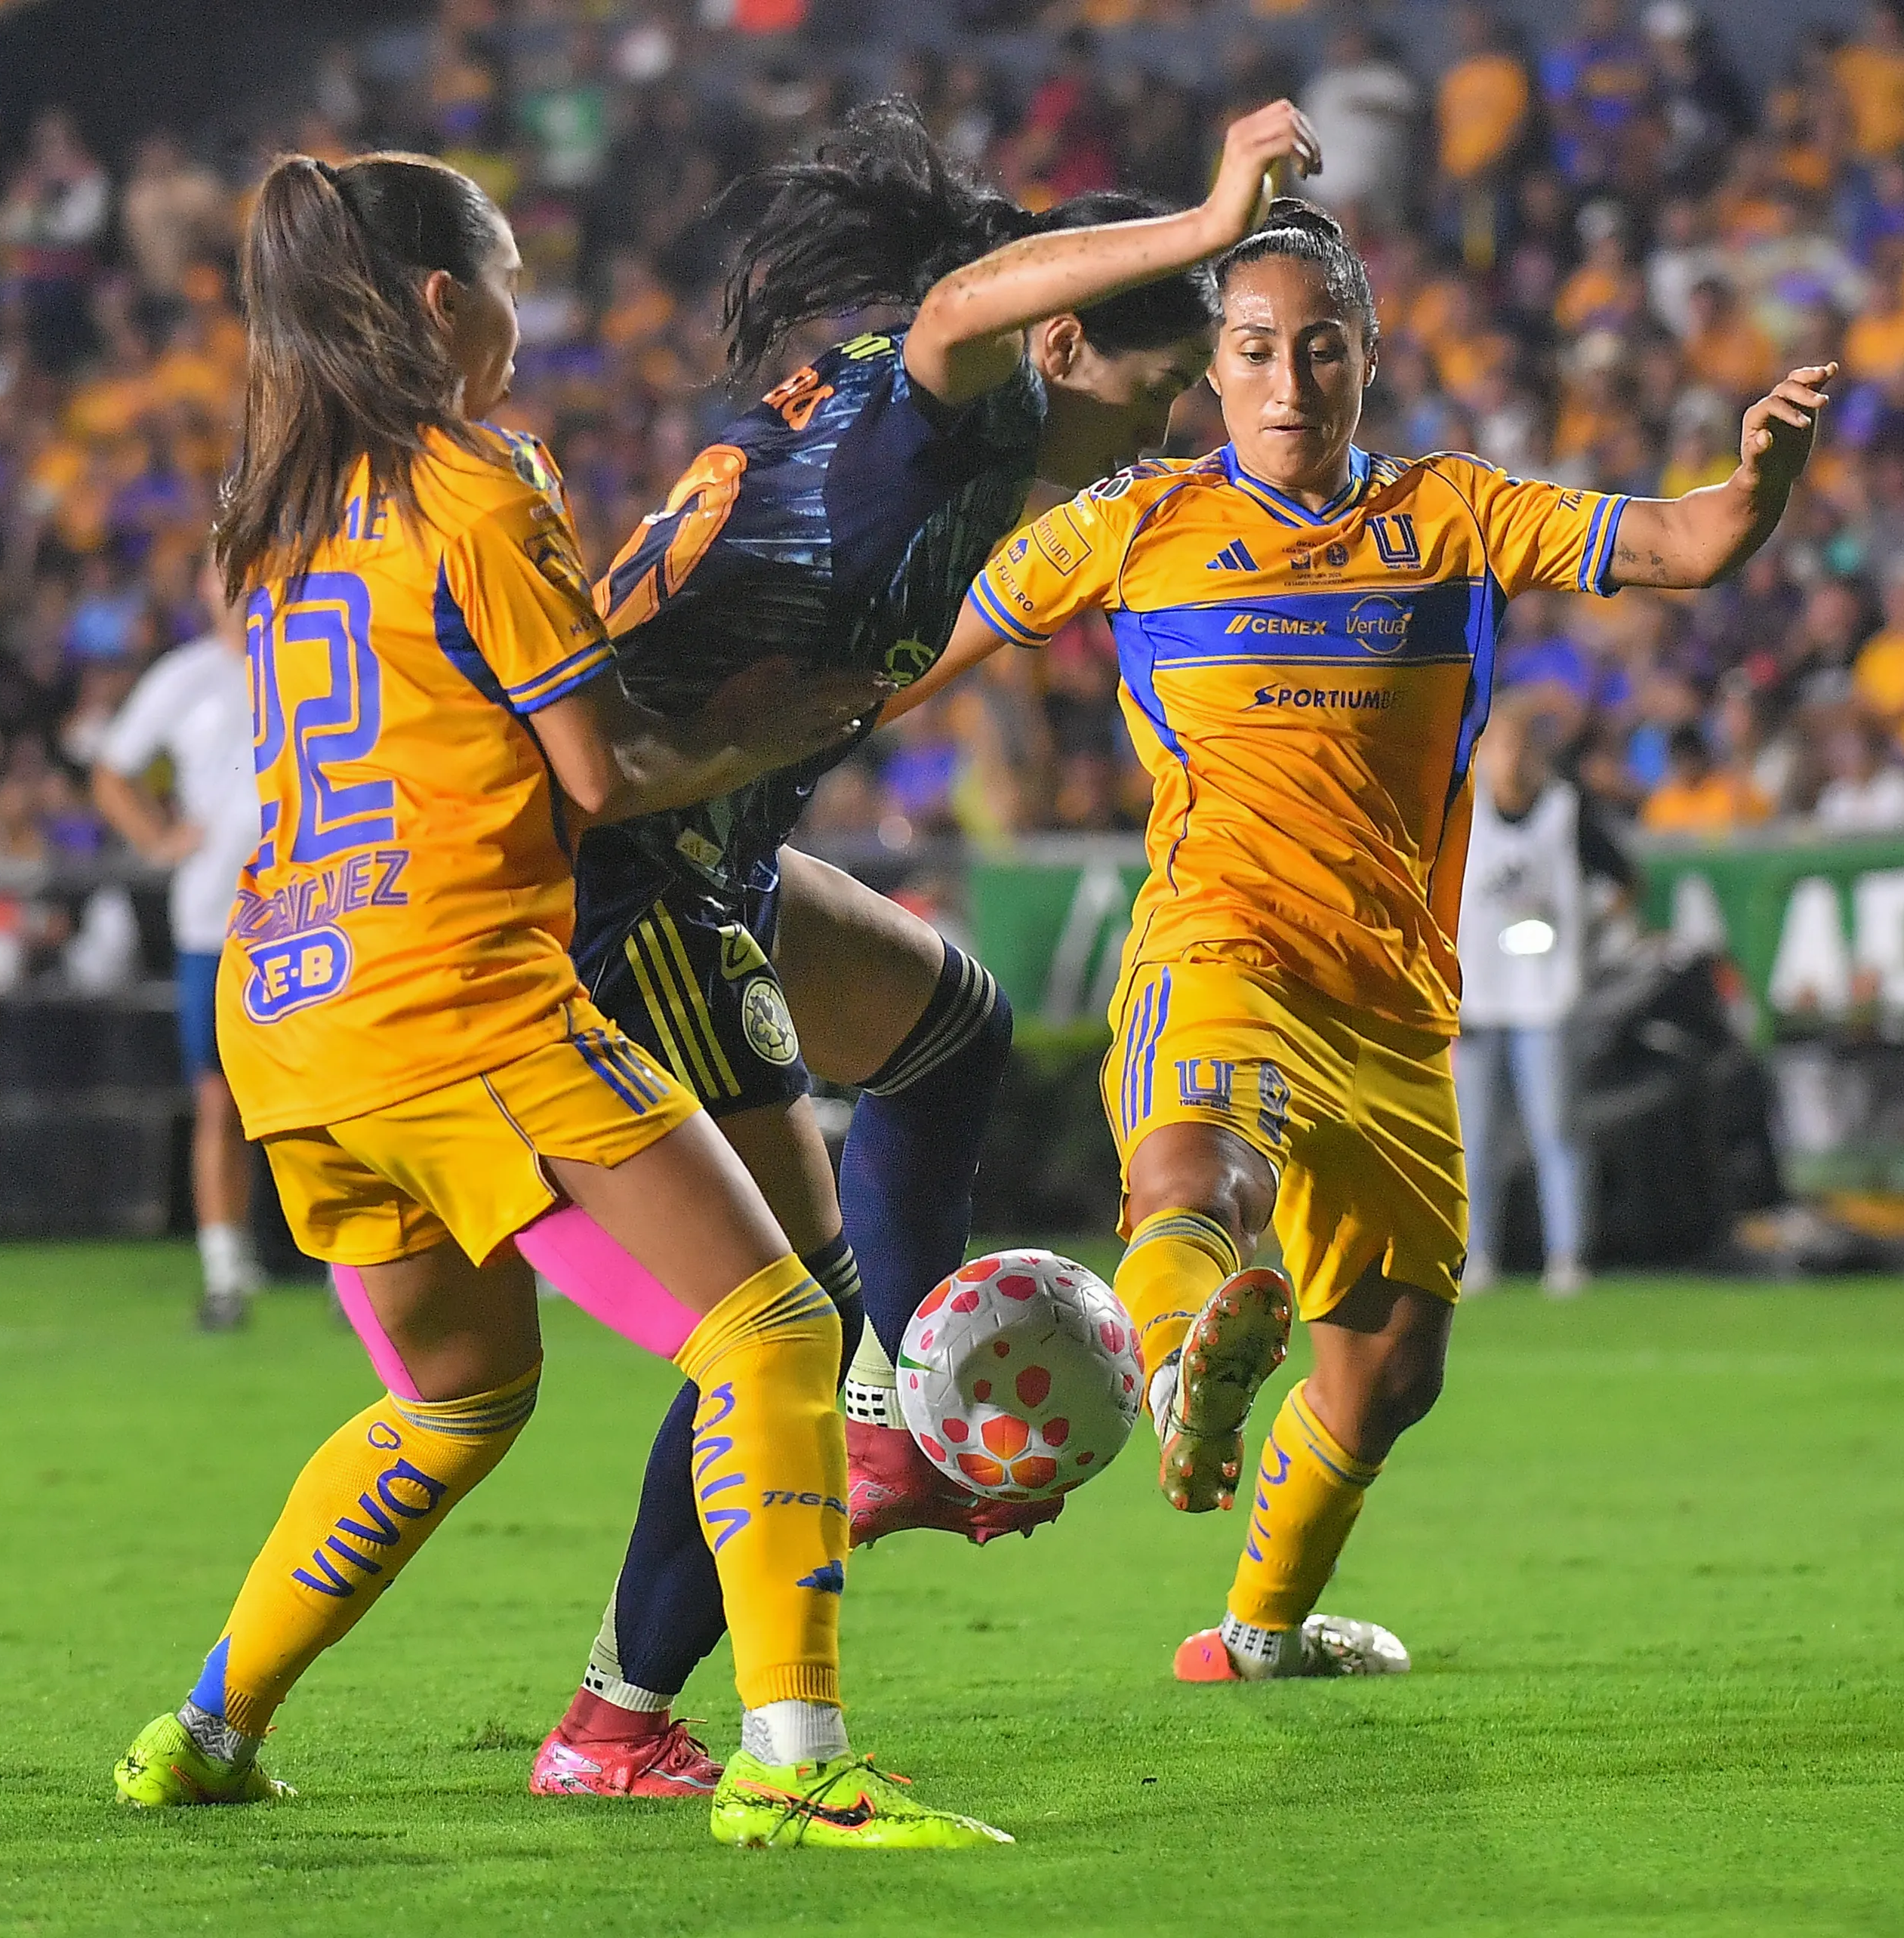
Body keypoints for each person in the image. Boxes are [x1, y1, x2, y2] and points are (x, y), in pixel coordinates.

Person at [109, 149, 1006, 1850]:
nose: (523, 314)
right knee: (778, 1328)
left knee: (453, 1395)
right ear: (444, 301)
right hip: (460, 992)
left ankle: (209, 1721)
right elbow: (595, 771)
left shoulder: (274, 508)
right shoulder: (479, 478)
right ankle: (789, 1758)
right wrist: (791, 717)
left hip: (288, 1011)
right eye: (508, 277)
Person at [914, 202, 1831, 1681]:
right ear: (1210, 370)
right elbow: (915, 650)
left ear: (1366, 360)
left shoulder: (1451, 514)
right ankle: (1174, 1369)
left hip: (1393, 1004)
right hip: (1218, 948)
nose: (1286, 382)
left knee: (1388, 1364)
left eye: (1317, 348)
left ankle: (1256, 1633)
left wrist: (1759, 475)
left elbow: (1687, 540)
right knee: (1191, 1154)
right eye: (1254, 350)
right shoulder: (1133, 524)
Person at [528, 96, 1321, 1798]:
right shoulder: (943, 398)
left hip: (713, 850)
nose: (1165, 420)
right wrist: (1203, 221)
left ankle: (892, 1422)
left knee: (947, 1026)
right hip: (627, 876)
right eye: (1159, 380)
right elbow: (966, 310)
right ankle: (624, 1724)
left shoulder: (967, 435)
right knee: (776, 1316)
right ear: (1063, 338)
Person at [93, 563, 270, 1332]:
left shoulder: (309, 653)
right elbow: (111, 769)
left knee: (336, 1097)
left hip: (311, 908)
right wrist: (158, 838)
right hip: (213, 915)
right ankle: (225, 1268)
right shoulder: (187, 676)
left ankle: (352, 1271)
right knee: (217, 1093)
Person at [1453, 692, 1638, 1297]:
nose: (1509, 759)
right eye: (1499, 745)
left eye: (1519, 746)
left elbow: (1625, 882)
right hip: (1478, 997)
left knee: (1554, 1130)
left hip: (1545, 994)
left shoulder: (1565, 811)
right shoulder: (1463, 811)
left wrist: (1587, 929)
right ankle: (1476, 1257)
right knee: (1471, 1138)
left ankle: (1566, 1257)